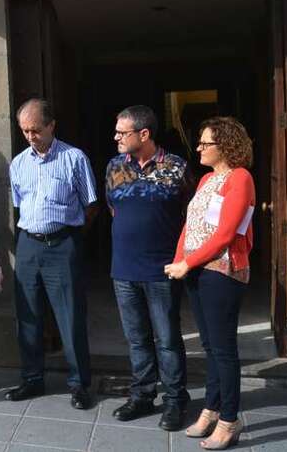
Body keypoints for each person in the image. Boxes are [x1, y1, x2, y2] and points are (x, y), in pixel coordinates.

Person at [165, 116, 255, 450]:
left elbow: (226, 234)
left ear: (226, 145)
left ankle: (230, 420)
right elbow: (190, 227)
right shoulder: (205, 180)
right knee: (209, 346)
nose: (199, 148)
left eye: (205, 143)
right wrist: (180, 261)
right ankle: (211, 409)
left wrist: (188, 263)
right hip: (196, 270)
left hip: (222, 271)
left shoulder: (240, 177)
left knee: (223, 349)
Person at [105, 106, 192, 431]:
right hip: (123, 269)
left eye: (122, 132)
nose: (115, 137)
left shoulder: (177, 167)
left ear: (144, 134)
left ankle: (175, 400)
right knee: (136, 339)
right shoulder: (114, 166)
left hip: (162, 269)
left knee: (167, 339)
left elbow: (190, 214)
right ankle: (142, 395)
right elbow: (114, 209)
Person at [6, 98, 97, 409]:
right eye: (25, 131)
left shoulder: (74, 158)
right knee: (28, 314)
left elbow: (91, 205)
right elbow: (19, 205)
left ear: (51, 125)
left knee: (70, 315)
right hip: (28, 244)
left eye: (36, 130)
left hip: (62, 243)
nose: (30, 136)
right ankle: (32, 378)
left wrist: (72, 238)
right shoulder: (18, 164)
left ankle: (80, 384)